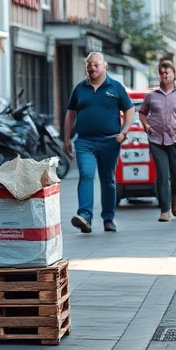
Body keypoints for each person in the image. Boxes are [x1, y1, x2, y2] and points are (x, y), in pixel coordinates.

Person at [63, 52, 134, 233]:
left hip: (110, 142)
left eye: (95, 64)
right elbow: (70, 114)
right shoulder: (80, 89)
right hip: (84, 142)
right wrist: (66, 139)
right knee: (86, 175)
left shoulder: (116, 87)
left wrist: (124, 132)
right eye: (89, 65)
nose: (91, 68)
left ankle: (108, 218)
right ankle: (85, 216)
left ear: (104, 66)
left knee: (108, 180)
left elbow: (130, 109)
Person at [139, 59, 176, 222]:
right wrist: (146, 125)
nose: (164, 75)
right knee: (163, 174)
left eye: (167, 72)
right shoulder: (151, 96)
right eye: (161, 72)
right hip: (156, 139)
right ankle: (165, 210)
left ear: (174, 74)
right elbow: (142, 112)